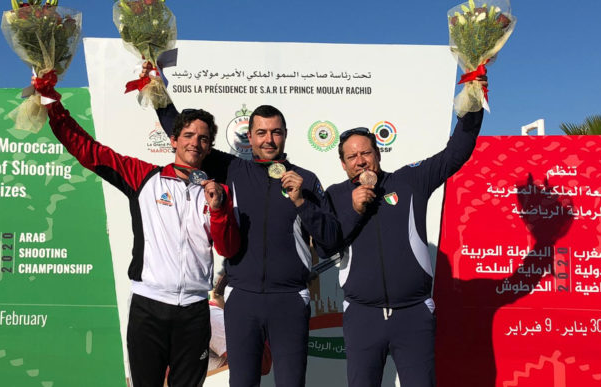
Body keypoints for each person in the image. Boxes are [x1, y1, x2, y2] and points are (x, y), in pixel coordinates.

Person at [33, 77, 241, 387]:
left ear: (210, 146)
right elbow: (88, 151)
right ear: (173, 140)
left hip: (195, 314)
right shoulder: (144, 178)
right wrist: (53, 104)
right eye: (188, 135)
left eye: (203, 138)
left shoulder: (218, 192)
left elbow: (228, 248)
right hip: (150, 308)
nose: (195, 143)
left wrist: (220, 209)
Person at [150, 64, 341, 387]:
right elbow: (183, 131)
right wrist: (155, 86)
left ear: (285, 135)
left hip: (289, 299)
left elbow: (329, 242)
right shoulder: (233, 170)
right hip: (242, 300)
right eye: (262, 133)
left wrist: (301, 202)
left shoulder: (306, 180)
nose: (269, 140)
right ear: (249, 137)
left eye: (276, 132)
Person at [323, 77, 488, 387]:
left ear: (378, 153)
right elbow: (325, 246)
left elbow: (457, 152)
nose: (361, 161)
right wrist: (353, 209)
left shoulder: (410, 181)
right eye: (352, 157)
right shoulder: (334, 195)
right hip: (363, 315)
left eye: (366, 153)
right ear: (343, 164)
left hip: (412, 314)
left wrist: (474, 97)